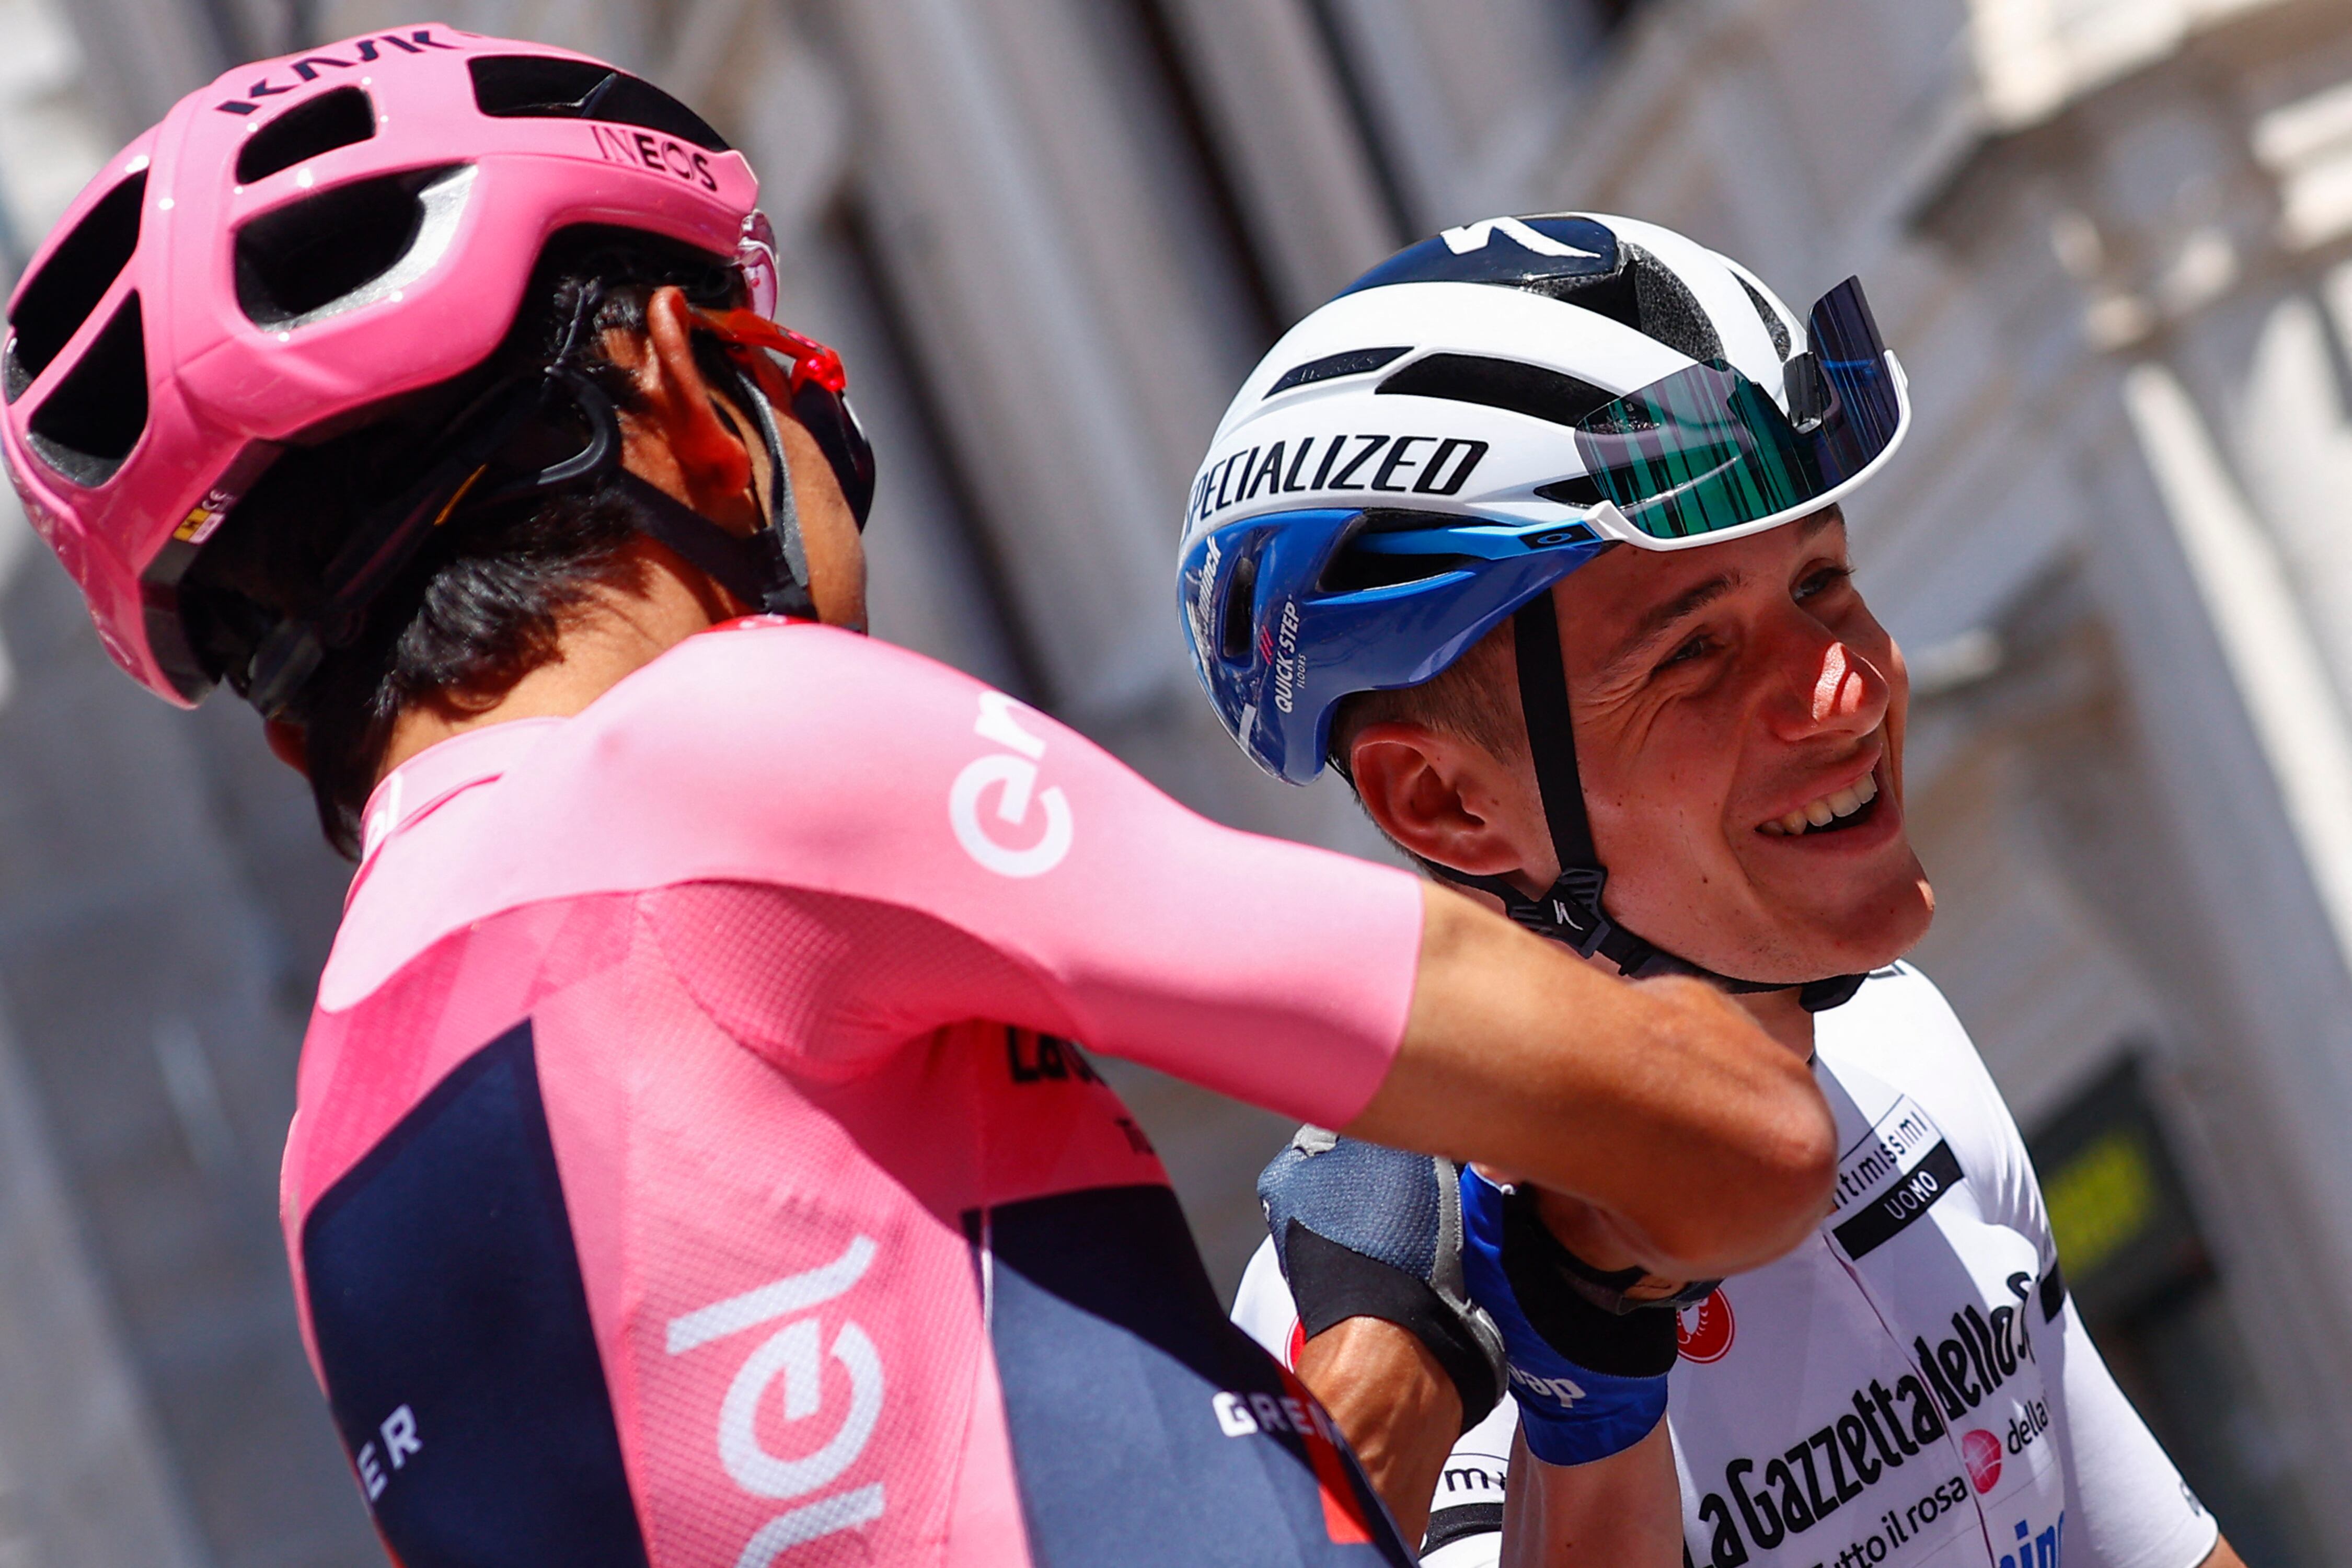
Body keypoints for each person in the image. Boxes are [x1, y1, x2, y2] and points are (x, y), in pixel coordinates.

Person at [1, 37, 1842, 1568]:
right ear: (675, 387)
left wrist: (1443, 1351)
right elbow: (1744, 1147)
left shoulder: (334, 1143)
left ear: (281, 724)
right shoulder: (737, 754)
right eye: (797, 380)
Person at [1178, 212, 2244, 1568]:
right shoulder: (1366, 1363)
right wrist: (1588, 1392)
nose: (1843, 685)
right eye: (1693, 656)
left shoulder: (1897, 1048)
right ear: (1442, 803)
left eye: (1822, 580)